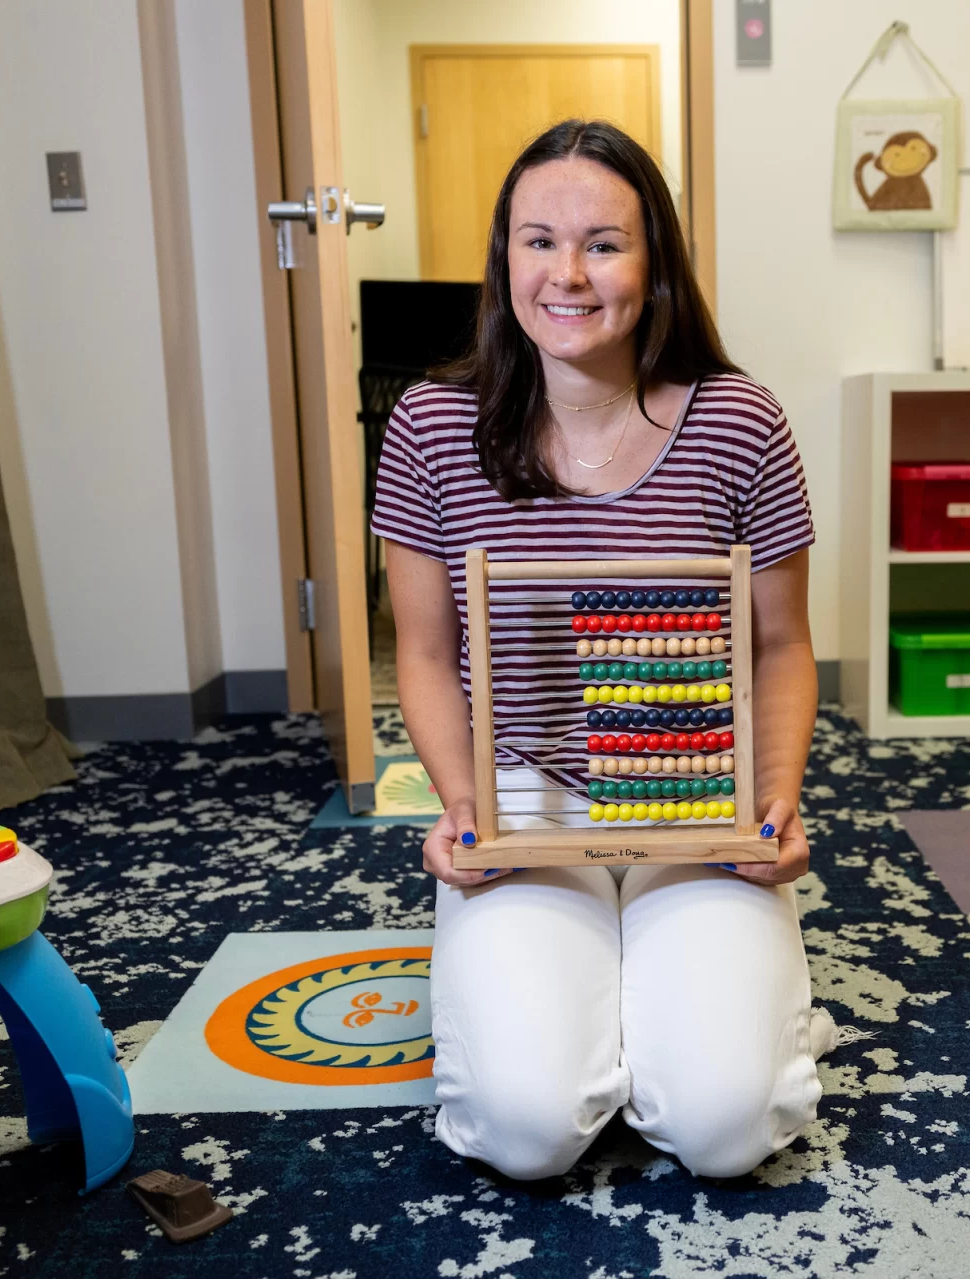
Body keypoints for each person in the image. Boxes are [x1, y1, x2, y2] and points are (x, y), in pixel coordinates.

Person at [371, 119, 834, 1181]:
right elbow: (429, 656)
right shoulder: (432, 426)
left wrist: (771, 799)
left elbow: (779, 644)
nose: (567, 274)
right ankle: (606, 1015)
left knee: (725, 1131)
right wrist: (459, 804)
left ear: (654, 262)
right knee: (527, 1133)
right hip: (528, 794)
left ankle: (705, 1020)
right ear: (503, 261)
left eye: (602, 244)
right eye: (538, 241)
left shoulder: (739, 422)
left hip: (692, 791)